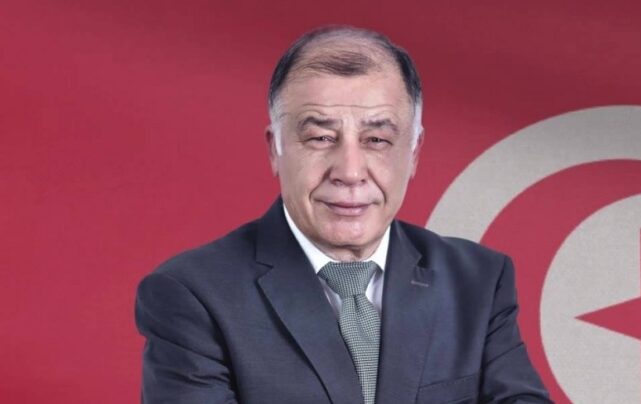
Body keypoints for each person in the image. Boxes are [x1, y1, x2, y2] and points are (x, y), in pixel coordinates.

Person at [135, 26, 552, 404]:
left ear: (414, 152)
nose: (350, 172)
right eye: (320, 137)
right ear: (275, 149)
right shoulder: (193, 295)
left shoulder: (477, 282)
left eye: (376, 139)